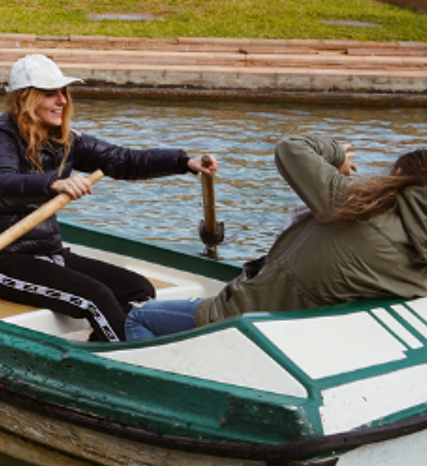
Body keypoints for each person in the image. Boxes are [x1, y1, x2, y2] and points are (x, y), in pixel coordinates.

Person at [0, 53, 216, 343]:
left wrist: (183, 163)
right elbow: (0, 184)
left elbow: (123, 159)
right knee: (96, 297)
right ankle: (125, 360)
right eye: (51, 94)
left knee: (138, 289)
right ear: (25, 99)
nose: (62, 100)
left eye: (63, 92)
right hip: (1, 260)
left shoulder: (63, 140)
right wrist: (55, 184)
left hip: (51, 254)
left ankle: (105, 351)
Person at [126, 135, 427, 341]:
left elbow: (291, 148)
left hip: (255, 317)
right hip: (309, 334)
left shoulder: (350, 203)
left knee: (138, 317)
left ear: (398, 175)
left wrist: (335, 154)